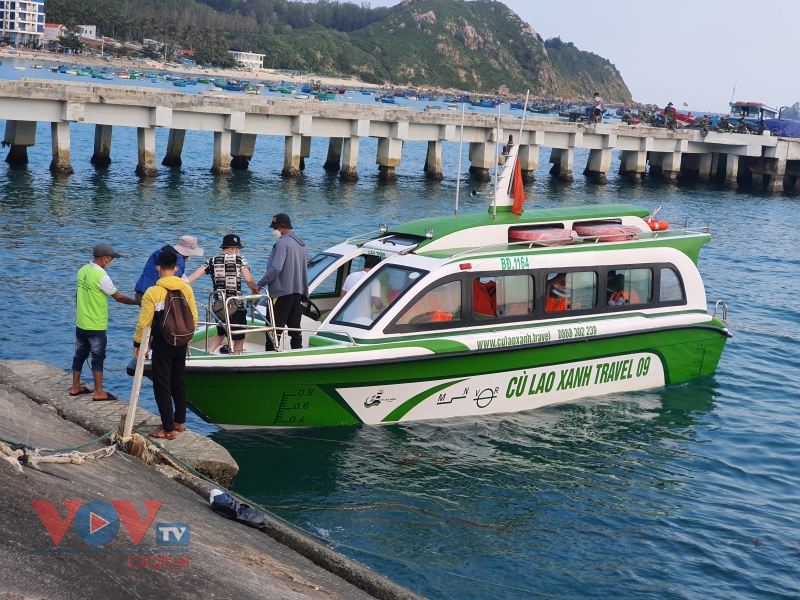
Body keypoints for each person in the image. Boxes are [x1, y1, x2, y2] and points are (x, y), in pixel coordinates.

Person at [133, 250, 198, 440]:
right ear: (176, 268)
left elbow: (144, 323)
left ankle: (168, 429)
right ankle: (179, 422)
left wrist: (138, 343)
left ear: (158, 268)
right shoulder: (186, 289)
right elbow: (193, 317)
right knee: (178, 381)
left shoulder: (153, 292)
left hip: (163, 342)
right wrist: (188, 338)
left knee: (162, 385)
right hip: (182, 340)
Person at [69, 243, 137, 400]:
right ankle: (99, 392)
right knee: (98, 357)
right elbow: (119, 297)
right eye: (111, 258)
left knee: (80, 354)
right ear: (104, 258)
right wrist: (139, 302)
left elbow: (78, 294)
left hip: (81, 322)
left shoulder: (82, 270)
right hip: (95, 324)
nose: (112, 261)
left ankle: (75, 386)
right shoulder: (102, 277)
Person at [187, 234, 259, 354]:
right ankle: (237, 356)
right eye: (238, 248)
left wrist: (181, 286)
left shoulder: (212, 260)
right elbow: (248, 279)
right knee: (239, 336)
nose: (238, 251)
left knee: (221, 331)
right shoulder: (240, 259)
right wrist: (254, 289)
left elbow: (195, 275)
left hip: (219, 306)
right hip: (235, 305)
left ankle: (209, 353)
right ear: (234, 248)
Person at [257, 213, 309, 351]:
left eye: (275, 228)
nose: (274, 231)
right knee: (295, 328)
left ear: (281, 227)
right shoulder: (302, 244)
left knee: (273, 329)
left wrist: (260, 284)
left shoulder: (282, 243)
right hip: (298, 292)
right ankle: (297, 353)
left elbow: (276, 268)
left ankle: (270, 357)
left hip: (281, 293)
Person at [134, 235, 204, 305]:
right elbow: (173, 282)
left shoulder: (157, 253)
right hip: (154, 298)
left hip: (139, 295)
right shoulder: (179, 260)